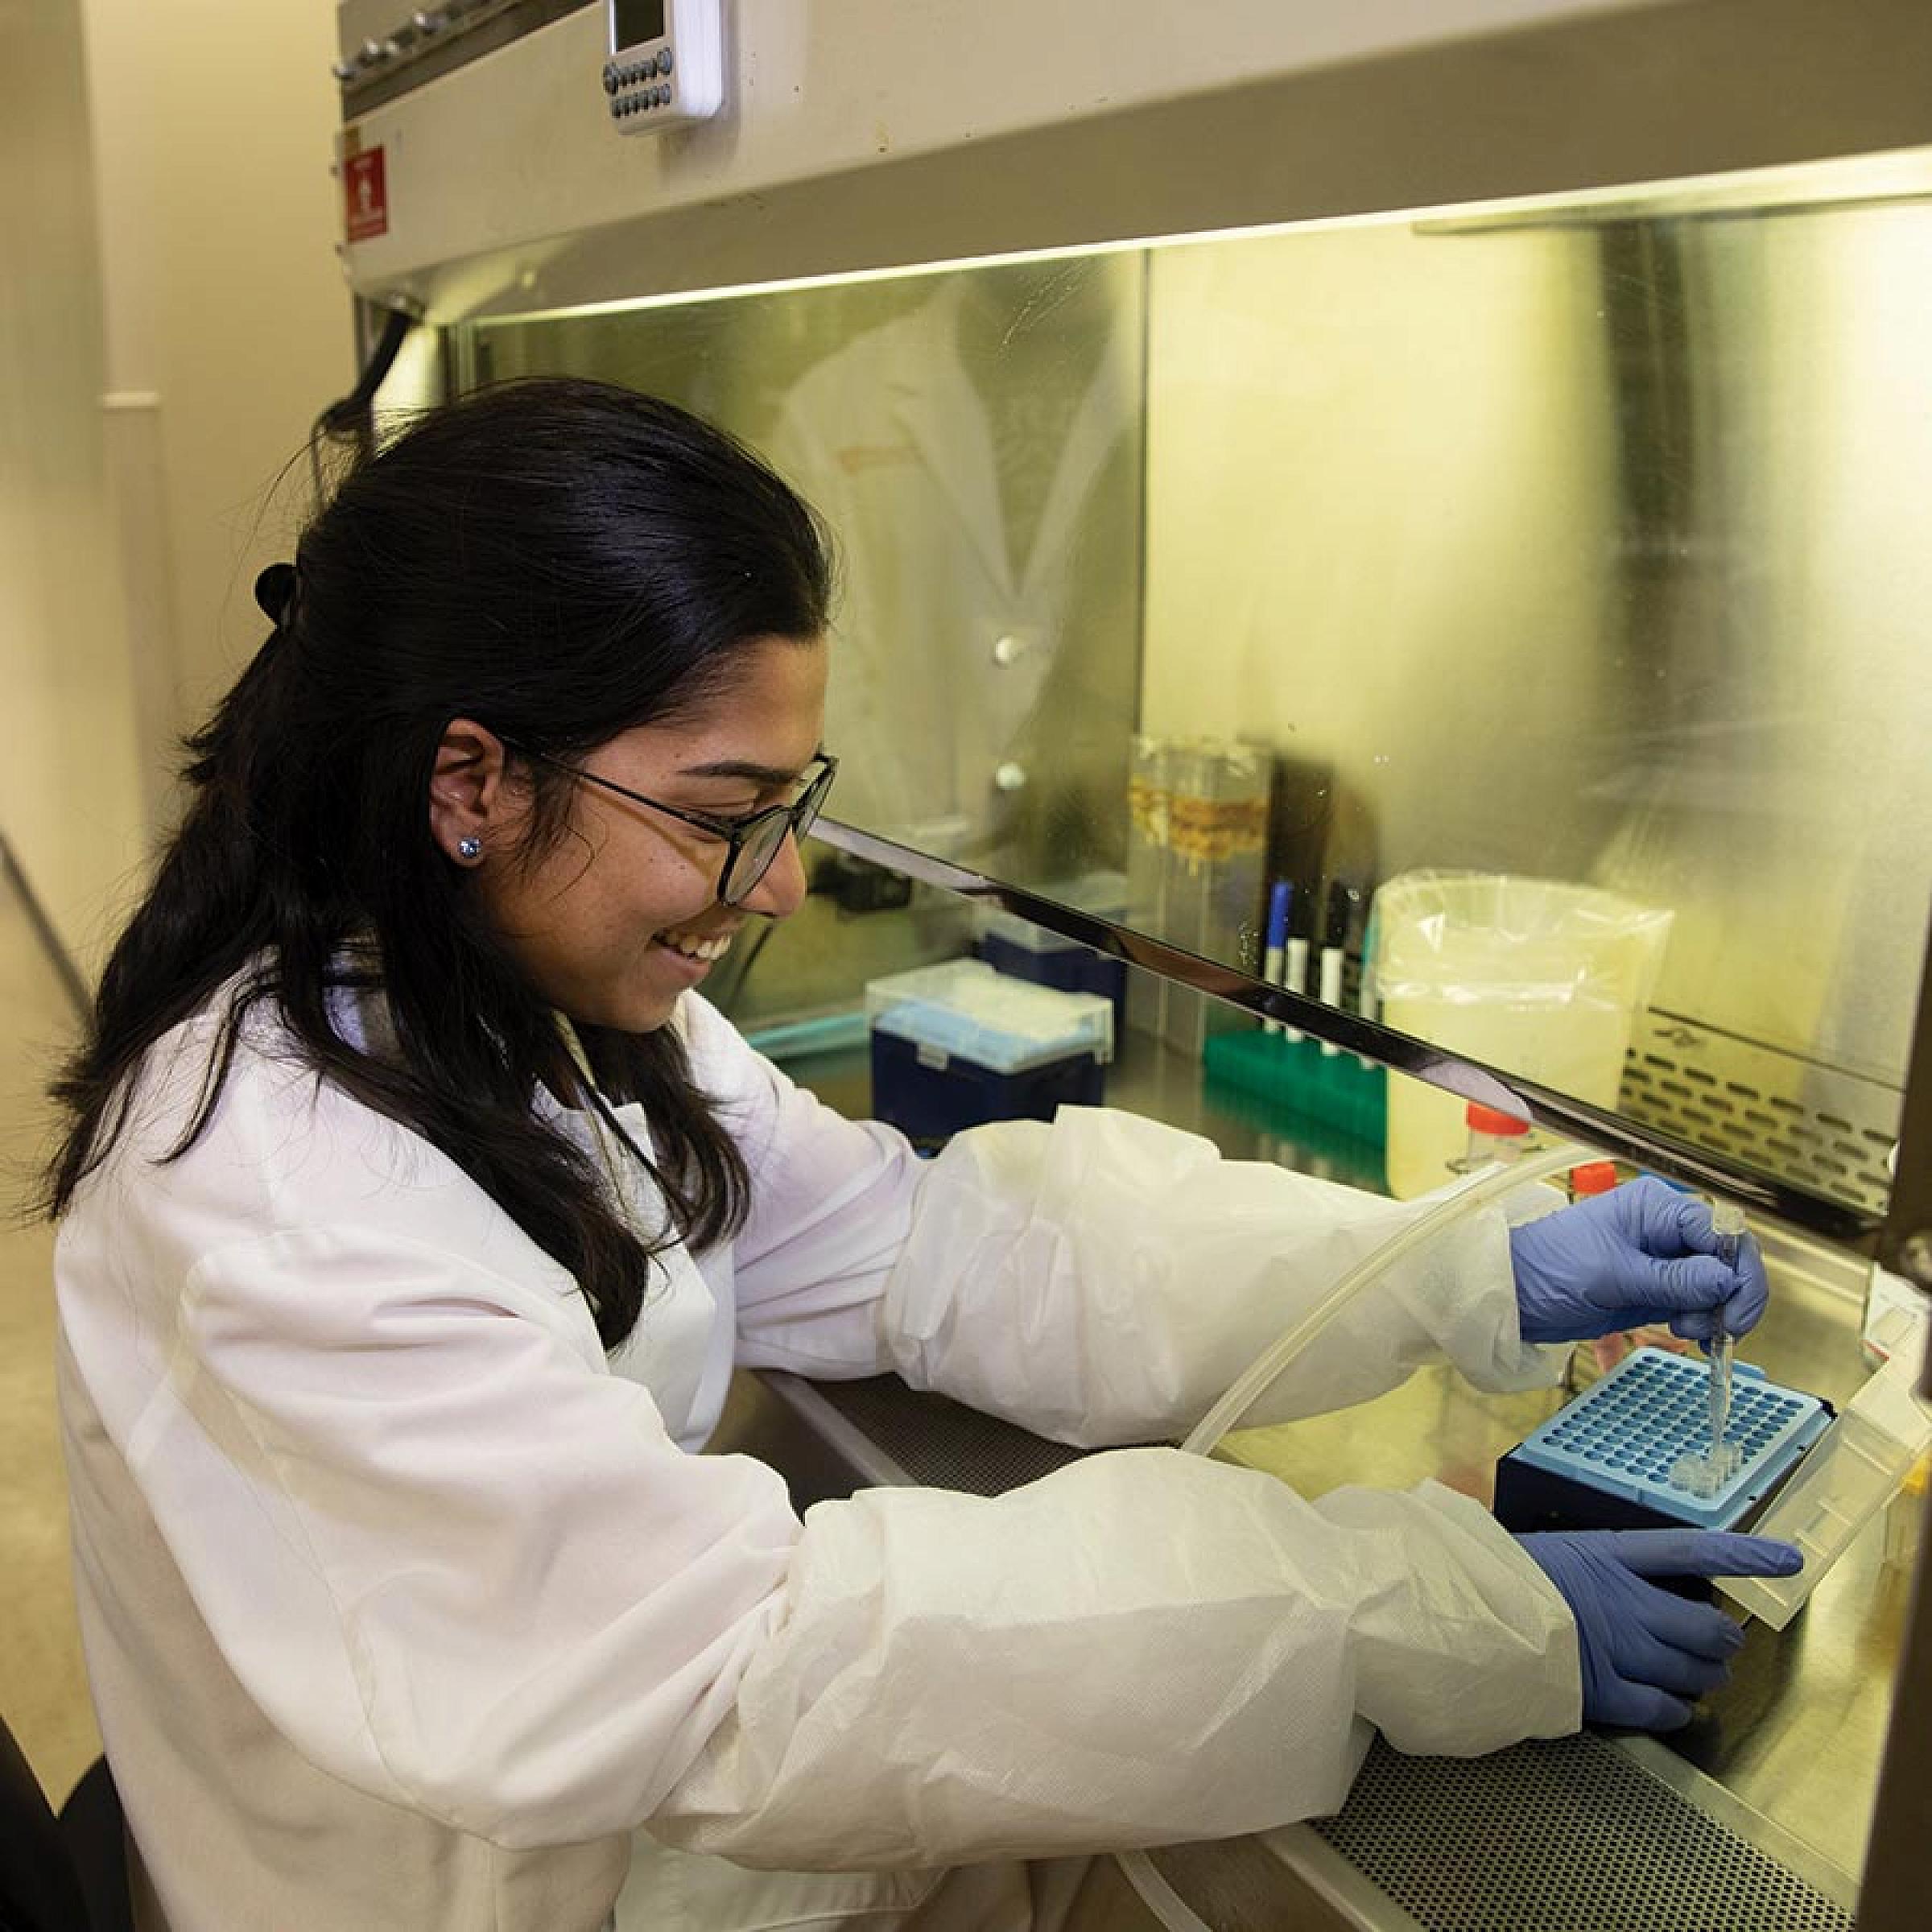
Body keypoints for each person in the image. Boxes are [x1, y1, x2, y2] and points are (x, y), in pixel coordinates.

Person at [44, 378, 1798, 1932]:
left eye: (791, 810)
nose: (782, 886)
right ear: (471, 783)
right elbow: (746, 1673)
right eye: (728, 816)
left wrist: (1444, 1267)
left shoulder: (522, 994)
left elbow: (920, 1248)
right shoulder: (275, 1188)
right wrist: (1392, 1608)